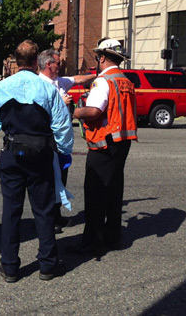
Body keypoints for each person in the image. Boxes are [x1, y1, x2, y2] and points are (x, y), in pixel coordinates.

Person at [0, 40, 74, 282]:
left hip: (12, 152)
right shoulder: (47, 89)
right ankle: (48, 264)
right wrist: (64, 152)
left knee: (11, 211)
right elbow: (61, 125)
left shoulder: (2, 87)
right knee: (43, 210)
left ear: (14, 61)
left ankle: (10, 265)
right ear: (35, 62)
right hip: (41, 154)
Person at [71, 38, 137, 255]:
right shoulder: (125, 80)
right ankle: (113, 237)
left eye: (97, 57)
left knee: (95, 193)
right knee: (114, 191)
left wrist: (75, 111)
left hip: (103, 143)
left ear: (102, 58)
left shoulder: (103, 81)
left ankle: (93, 242)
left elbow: (94, 111)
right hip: (122, 142)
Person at [38, 49, 94, 233]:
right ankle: (49, 221)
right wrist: (60, 102)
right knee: (48, 179)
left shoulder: (59, 82)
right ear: (48, 65)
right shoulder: (39, 85)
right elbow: (38, 113)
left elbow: (77, 79)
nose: (60, 65)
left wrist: (97, 76)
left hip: (62, 141)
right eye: (58, 63)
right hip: (48, 139)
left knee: (61, 177)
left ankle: (56, 215)